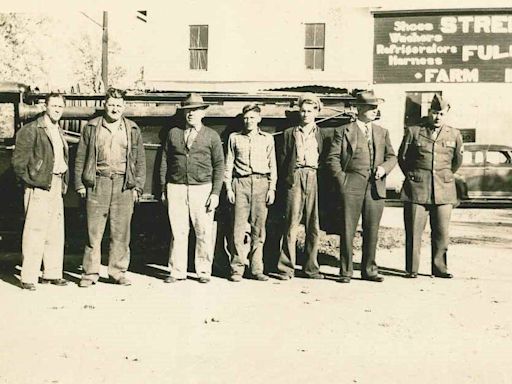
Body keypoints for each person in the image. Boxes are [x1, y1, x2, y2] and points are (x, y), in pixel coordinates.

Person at [75, 88, 146, 287]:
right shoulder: (92, 127)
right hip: (98, 183)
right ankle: (90, 273)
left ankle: (118, 272)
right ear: (105, 105)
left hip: (123, 185)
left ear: (124, 107)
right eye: (111, 104)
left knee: (121, 232)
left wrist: (137, 187)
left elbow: (140, 160)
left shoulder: (132, 129)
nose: (114, 108)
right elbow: (80, 157)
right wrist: (80, 184)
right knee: (94, 232)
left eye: (118, 105)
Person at [327, 90, 397, 283]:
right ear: (359, 108)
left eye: (376, 107)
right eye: (371, 107)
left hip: (375, 188)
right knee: (348, 229)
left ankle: (369, 270)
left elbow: (392, 157)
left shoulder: (382, 132)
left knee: (372, 229)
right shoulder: (343, 131)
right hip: (351, 186)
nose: (375, 111)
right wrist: (342, 180)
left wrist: (384, 168)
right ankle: (345, 271)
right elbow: (332, 158)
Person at [160, 93, 225, 284]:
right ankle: (177, 271)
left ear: (203, 113)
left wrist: (215, 193)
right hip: (176, 187)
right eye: (188, 110)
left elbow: (219, 165)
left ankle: (203, 271)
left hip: (202, 188)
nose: (191, 114)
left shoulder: (211, 136)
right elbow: (164, 161)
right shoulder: (174, 133)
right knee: (178, 230)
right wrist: (164, 189)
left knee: (203, 230)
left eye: (195, 110)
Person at [398, 94, 463, 279]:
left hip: (444, 189)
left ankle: (439, 268)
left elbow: (457, 161)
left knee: (442, 232)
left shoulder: (454, 134)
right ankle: (411, 269)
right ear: (429, 112)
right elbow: (403, 158)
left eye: (441, 113)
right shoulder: (414, 131)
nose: (437, 117)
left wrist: (444, 175)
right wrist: (414, 176)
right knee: (414, 231)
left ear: (447, 114)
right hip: (417, 188)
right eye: (435, 113)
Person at [12, 93, 69, 290]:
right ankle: (28, 277)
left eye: (60, 106)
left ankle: (52, 273)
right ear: (46, 106)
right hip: (39, 187)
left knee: (54, 231)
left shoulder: (57, 130)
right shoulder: (32, 129)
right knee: (35, 231)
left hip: (55, 184)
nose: (57, 109)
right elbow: (18, 163)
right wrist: (33, 181)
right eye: (53, 106)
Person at [275, 93, 326, 280]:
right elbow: (283, 159)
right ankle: (286, 268)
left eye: (310, 111)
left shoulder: (322, 134)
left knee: (313, 225)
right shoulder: (290, 133)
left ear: (316, 112)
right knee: (291, 224)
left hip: (313, 176)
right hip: (295, 176)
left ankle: (311, 268)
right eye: (303, 111)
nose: (305, 114)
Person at [224, 103, 277, 282]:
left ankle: (256, 269)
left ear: (259, 119)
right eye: (246, 118)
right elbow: (228, 164)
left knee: (258, 229)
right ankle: (237, 269)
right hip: (241, 183)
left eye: (252, 118)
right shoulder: (234, 138)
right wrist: (229, 188)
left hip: (261, 184)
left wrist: (272, 188)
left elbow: (273, 166)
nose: (249, 121)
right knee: (238, 228)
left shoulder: (267, 139)